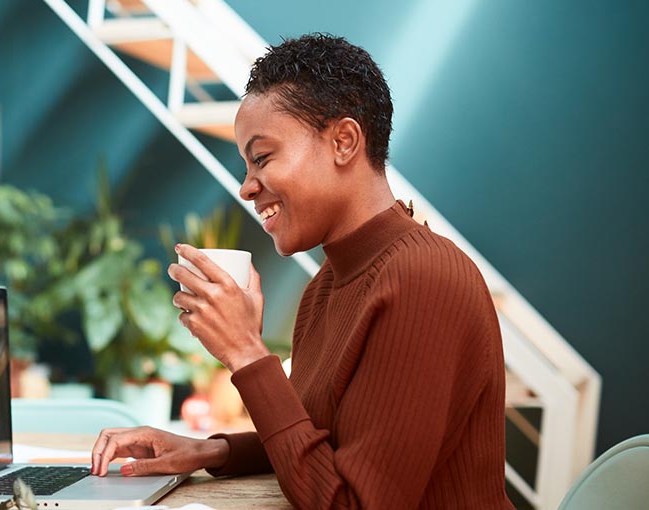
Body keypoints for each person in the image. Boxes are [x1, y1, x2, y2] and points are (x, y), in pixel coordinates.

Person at [90, 33, 514, 509]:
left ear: (344, 141)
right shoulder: (325, 286)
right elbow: (323, 442)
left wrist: (246, 353)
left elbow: (350, 503)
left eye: (262, 158)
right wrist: (210, 451)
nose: (247, 188)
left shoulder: (424, 279)